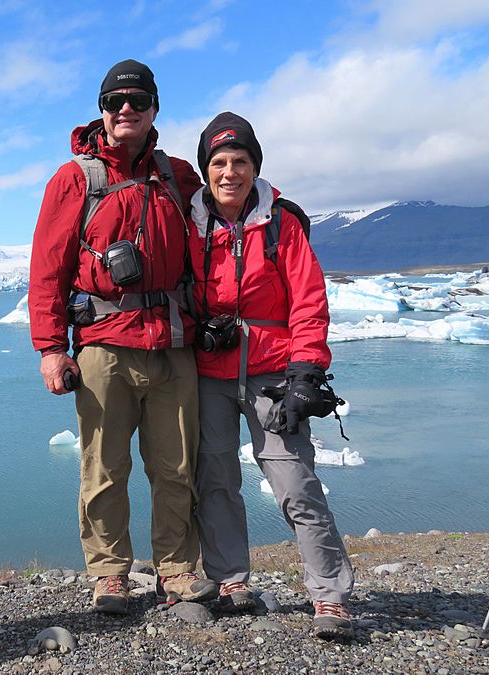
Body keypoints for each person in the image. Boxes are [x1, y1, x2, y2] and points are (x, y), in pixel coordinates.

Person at [28, 59, 216, 614]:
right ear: (102, 112)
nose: (126, 110)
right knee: (104, 468)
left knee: (176, 467)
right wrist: (50, 349)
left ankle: (176, 571)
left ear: (155, 108)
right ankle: (110, 574)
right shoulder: (76, 179)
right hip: (105, 346)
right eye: (115, 102)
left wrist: (279, 211)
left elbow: (223, 218)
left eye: (137, 100)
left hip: (172, 346)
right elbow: (47, 270)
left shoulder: (179, 176)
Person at [186, 111, 355, 640]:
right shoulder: (192, 225)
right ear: (205, 170)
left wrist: (307, 370)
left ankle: (329, 596)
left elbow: (308, 300)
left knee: (296, 485)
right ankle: (231, 580)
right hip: (210, 373)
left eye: (240, 161)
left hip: (273, 375)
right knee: (215, 482)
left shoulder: (282, 223)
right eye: (219, 162)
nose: (230, 171)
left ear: (254, 167)